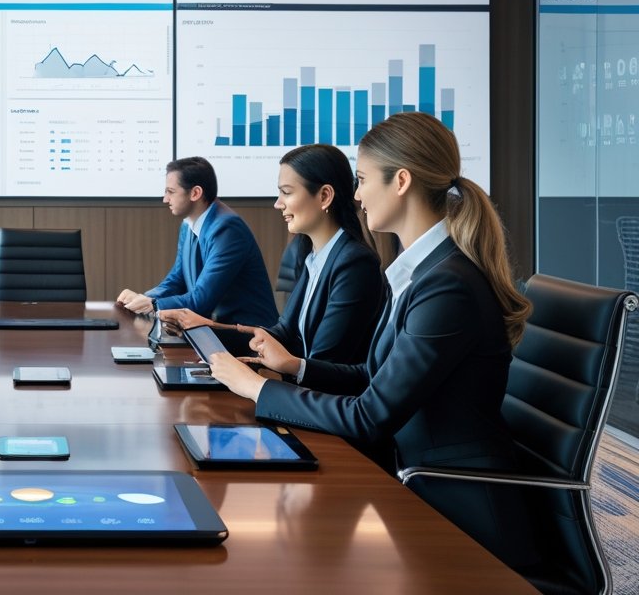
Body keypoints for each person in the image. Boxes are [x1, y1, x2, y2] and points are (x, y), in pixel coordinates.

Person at [208, 112, 538, 570]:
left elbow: (370, 416)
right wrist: (294, 368)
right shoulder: (421, 272)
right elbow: (371, 378)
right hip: (412, 474)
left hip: (455, 503)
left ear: (400, 181)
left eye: (362, 179)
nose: (357, 194)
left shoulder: (447, 285)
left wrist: (256, 388)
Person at [161, 144, 383, 363]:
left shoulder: (354, 264)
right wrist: (202, 329)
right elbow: (283, 335)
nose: (278, 204)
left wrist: (254, 382)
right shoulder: (313, 256)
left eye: (286, 192)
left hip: (320, 396)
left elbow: (322, 364)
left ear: (325, 196)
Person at [116, 156, 276, 326]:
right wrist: (145, 298)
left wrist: (153, 305)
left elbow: (201, 300)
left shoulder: (227, 228)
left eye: (171, 192)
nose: (165, 199)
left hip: (244, 334)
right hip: (211, 328)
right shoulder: (189, 222)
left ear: (195, 193)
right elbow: (177, 279)